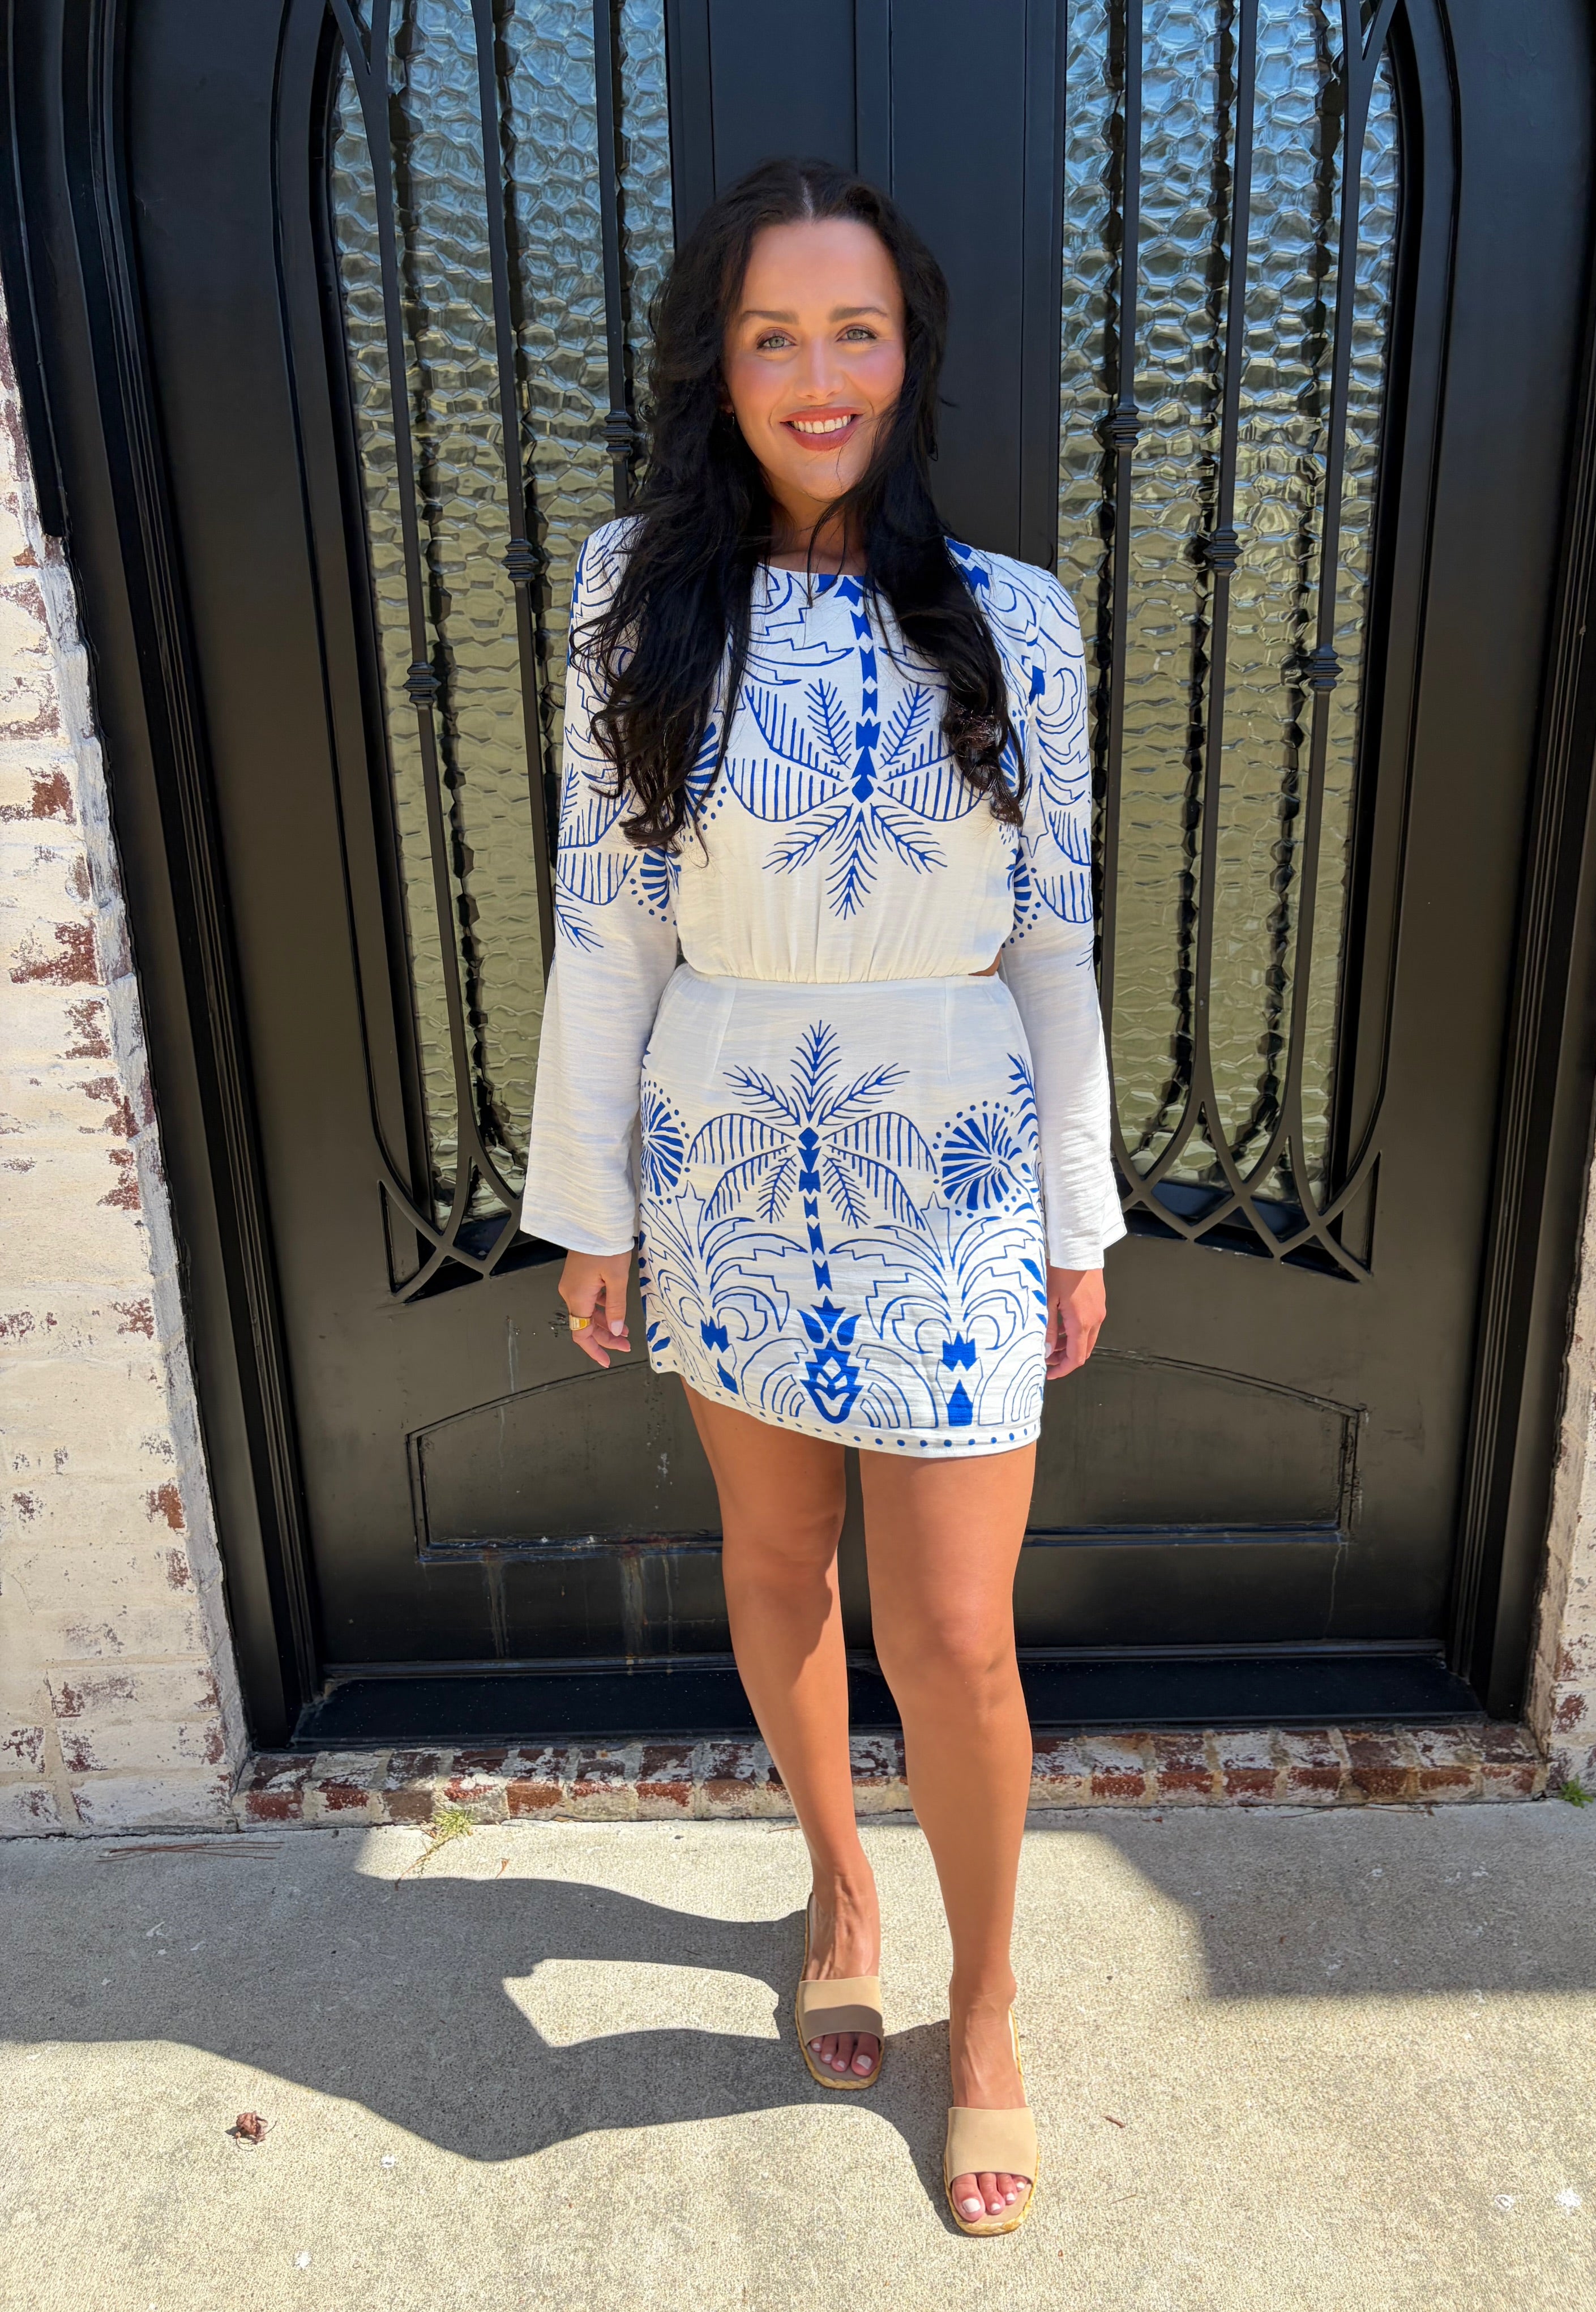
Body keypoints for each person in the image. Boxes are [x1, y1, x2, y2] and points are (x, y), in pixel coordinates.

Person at [522, 155, 1123, 2236]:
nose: (817, 374)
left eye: (854, 329)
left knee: (955, 1631)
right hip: (724, 1148)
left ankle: (990, 1999)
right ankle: (840, 1885)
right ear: (721, 362)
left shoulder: (1018, 619)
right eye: (772, 334)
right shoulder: (631, 595)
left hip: (950, 1156)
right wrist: (592, 1203)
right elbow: (607, 925)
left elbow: (1056, 940)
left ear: (908, 352)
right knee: (780, 1561)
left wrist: (1077, 1218)